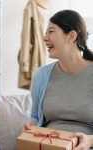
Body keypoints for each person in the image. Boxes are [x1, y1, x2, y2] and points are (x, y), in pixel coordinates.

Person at [24, 10, 93, 150]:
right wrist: (31, 125)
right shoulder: (41, 75)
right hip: (47, 145)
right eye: (45, 32)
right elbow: (35, 116)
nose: (45, 38)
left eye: (51, 31)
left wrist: (89, 141)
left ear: (72, 36)